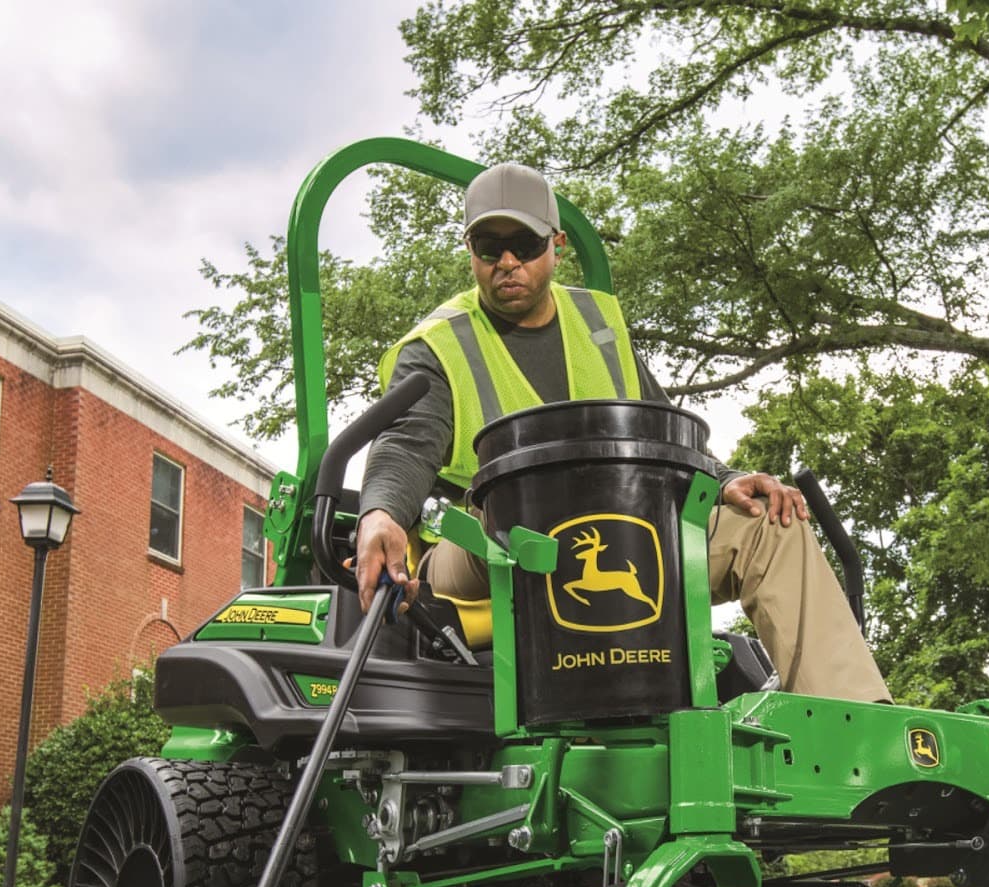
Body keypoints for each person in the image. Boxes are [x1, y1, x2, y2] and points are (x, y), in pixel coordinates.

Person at [354, 162, 889, 702]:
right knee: (518, 523)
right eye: (489, 248)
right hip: (488, 542)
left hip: (624, 524)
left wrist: (725, 479)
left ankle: (856, 728)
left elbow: (658, 429)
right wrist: (382, 513)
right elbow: (406, 441)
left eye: (524, 243)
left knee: (769, 523)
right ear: (470, 249)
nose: (507, 262)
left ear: (556, 245)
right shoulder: (440, 344)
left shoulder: (598, 323)